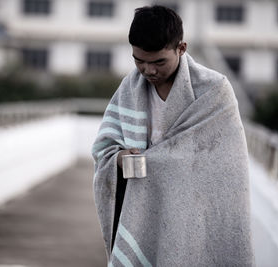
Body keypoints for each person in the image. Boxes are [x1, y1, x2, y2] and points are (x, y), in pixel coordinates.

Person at [92, 5, 254, 266]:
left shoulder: (214, 90)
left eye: (158, 62)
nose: (149, 70)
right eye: (139, 60)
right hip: (144, 209)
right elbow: (104, 147)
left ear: (182, 48)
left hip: (196, 210)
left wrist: (163, 164)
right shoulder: (128, 89)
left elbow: (227, 163)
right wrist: (120, 158)